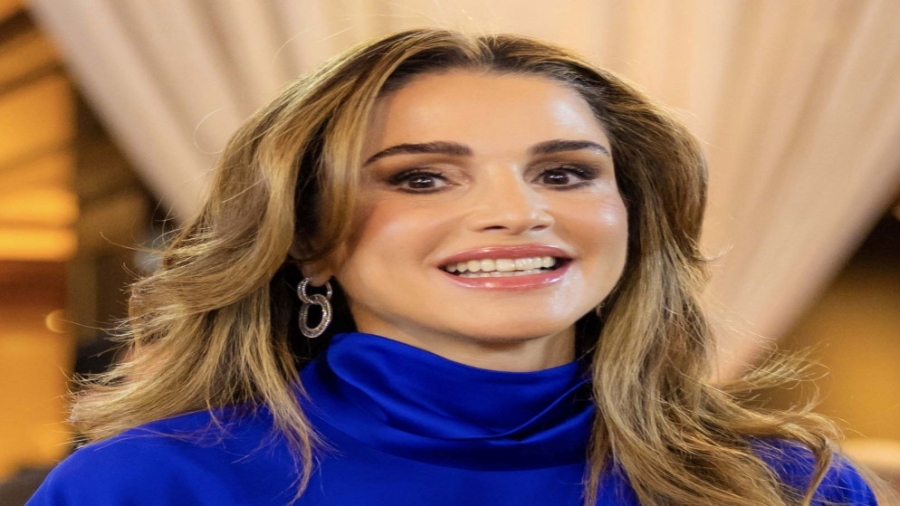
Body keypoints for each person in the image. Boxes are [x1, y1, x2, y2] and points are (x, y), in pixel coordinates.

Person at [28, 29, 883, 505]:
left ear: (630, 216)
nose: (518, 211)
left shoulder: (783, 485)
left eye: (565, 173)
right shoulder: (149, 485)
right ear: (308, 237)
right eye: (421, 178)